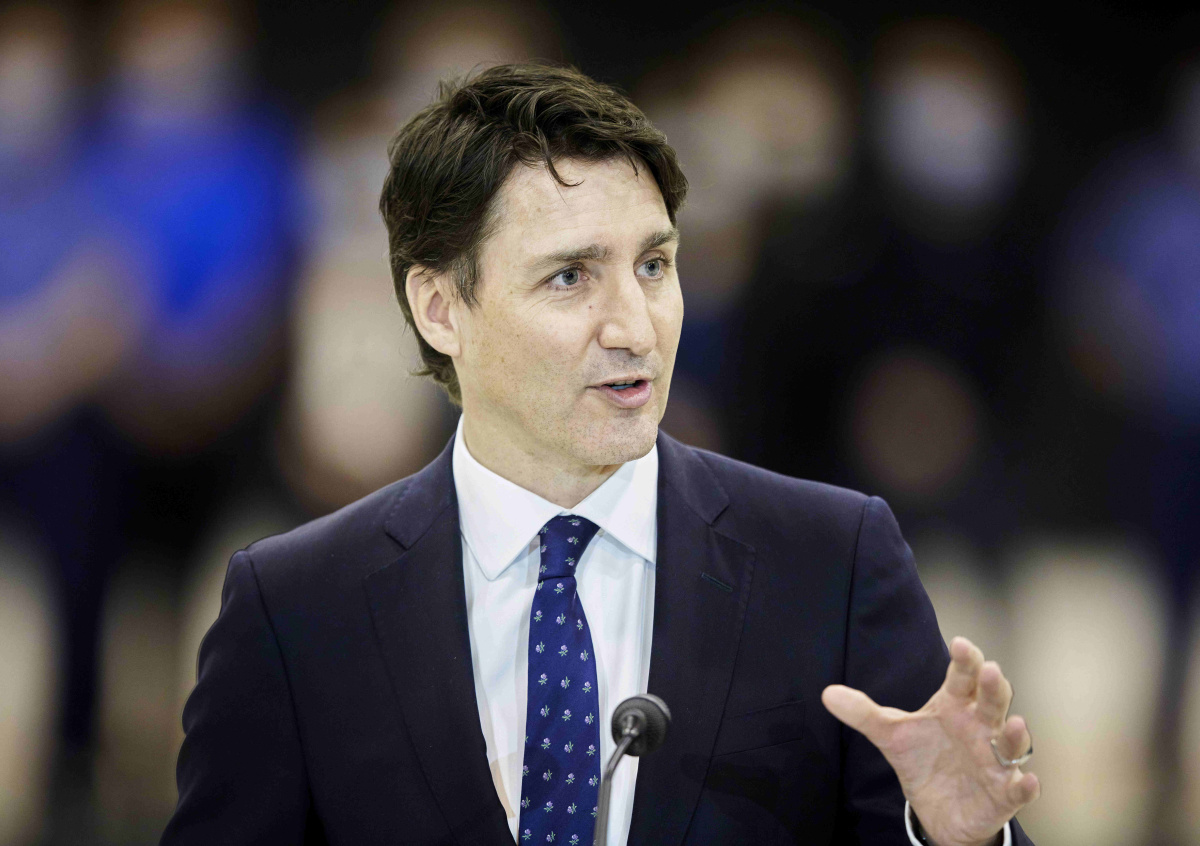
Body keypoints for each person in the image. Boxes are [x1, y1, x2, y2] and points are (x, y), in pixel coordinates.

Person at [161, 63, 1039, 846]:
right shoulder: (295, 608)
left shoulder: (832, 562)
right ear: (440, 309)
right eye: (570, 276)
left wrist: (955, 843)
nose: (635, 328)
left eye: (654, 266)